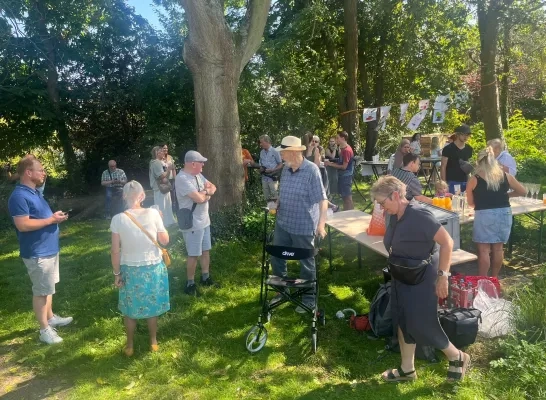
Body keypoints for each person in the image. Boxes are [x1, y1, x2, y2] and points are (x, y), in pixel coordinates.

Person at [371, 176, 470, 383]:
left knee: (422, 324)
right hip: (402, 274)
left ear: (396, 195)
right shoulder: (395, 215)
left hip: (422, 277)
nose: (381, 207)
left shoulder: (419, 214)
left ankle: (457, 356)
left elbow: (447, 243)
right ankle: (407, 370)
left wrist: (443, 276)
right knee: (403, 321)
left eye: (382, 202)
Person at [8, 155, 73, 344]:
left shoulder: (34, 192)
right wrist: (51, 220)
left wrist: (53, 217)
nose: (44, 172)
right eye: (40, 169)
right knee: (41, 291)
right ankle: (44, 330)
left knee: (49, 286)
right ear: (28, 173)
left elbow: (39, 216)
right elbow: (23, 225)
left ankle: (51, 317)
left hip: (49, 248)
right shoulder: (19, 196)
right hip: (37, 252)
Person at [110, 181, 170, 356]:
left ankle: (129, 346)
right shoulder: (153, 214)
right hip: (152, 267)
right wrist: (161, 219)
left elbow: (115, 251)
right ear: (142, 196)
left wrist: (116, 274)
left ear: (124, 196)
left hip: (130, 269)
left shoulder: (118, 219)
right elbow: (165, 241)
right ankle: (153, 341)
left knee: (130, 310)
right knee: (152, 308)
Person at [270, 136, 328, 311]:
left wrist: (321, 225)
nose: (281, 156)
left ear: (293, 152)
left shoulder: (311, 171)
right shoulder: (286, 170)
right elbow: (283, 192)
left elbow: (322, 200)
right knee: (277, 257)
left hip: (303, 225)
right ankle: (281, 290)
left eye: (283, 153)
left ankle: (308, 297)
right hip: (283, 223)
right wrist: (277, 203)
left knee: (306, 262)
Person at [466, 147, 526, 277]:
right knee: (498, 249)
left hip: (484, 214)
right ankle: (494, 279)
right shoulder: (505, 176)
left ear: (478, 161)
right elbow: (523, 191)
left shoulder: (474, 179)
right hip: (504, 213)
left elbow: (470, 203)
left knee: (484, 251)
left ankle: (482, 280)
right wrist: (507, 196)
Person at [176, 150, 219, 296]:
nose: (203, 165)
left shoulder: (198, 174)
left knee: (206, 250)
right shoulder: (182, 178)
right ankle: (190, 283)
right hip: (192, 223)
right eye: (201, 162)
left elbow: (213, 187)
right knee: (193, 254)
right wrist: (206, 193)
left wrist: (205, 192)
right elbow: (199, 199)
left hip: (204, 220)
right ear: (192, 163)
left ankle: (205, 277)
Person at [245, 135, 283, 203]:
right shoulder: (261, 152)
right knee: (267, 198)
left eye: (261, 142)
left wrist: (272, 170)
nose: (260, 144)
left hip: (272, 178)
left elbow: (280, 164)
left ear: (267, 142)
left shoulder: (275, 151)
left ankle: (276, 212)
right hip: (264, 178)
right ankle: (269, 212)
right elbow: (261, 165)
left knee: (274, 197)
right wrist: (260, 169)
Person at [324, 131, 354, 210]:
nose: (336, 140)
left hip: (346, 177)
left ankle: (350, 215)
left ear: (343, 138)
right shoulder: (342, 149)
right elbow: (341, 161)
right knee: (345, 198)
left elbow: (344, 166)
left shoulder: (347, 150)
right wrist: (332, 162)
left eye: (337, 138)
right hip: (342, 176)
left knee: (348, 198)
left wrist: (330, 164)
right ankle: (346, 215)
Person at [441, 125, 473, 194]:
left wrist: (470, 181)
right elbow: (443, 166)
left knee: (464, 203)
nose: (466, 137)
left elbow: (468, 166)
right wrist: (443, 183)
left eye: (468, 135)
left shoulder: (469, 149)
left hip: (465, 182)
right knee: (453, 203)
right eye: (463, 134)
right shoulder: (448, 148)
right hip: (452, 181)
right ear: (457, 134)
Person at [149, 146, 176, 227]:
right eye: (161, 151)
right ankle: (163, 223)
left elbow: (165, 175)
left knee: (168, 204)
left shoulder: (161, 162)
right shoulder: (156, 163)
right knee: (162, 205)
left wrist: (169, 168)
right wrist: (168, 169)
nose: (163, 152)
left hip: (164, 186)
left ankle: (170, 221)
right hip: (159, 187)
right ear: (157, 153)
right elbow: (161, 176)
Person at [160, 143, 178, 210]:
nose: (166, 149)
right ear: (161, 149)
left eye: (166, 148)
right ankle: (166, 209)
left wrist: (175, 178)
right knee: (166, 195)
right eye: (164, 148)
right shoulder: (159, 158)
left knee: (173, 194)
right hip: (164, 179)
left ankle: (173, 209)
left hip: (171, 179)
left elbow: (173, 168)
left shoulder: (170, 157)